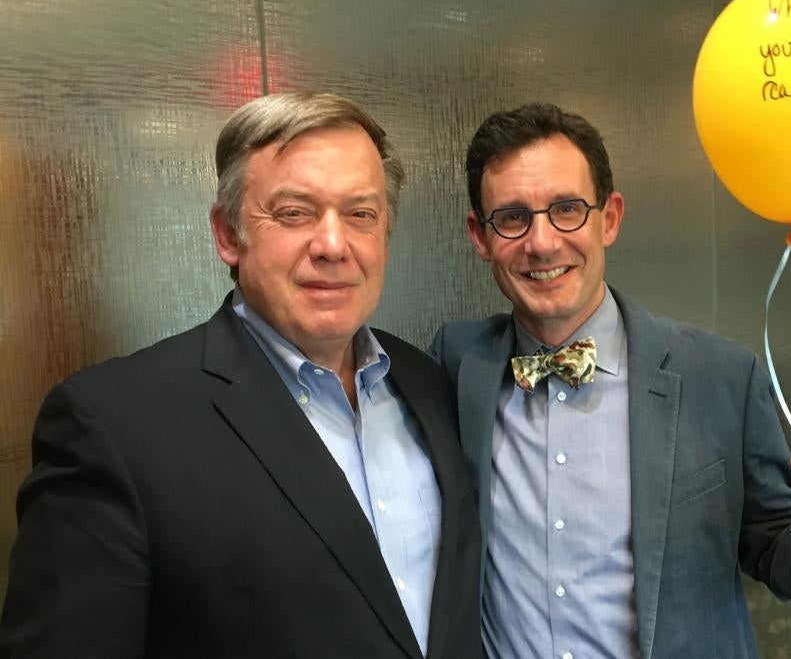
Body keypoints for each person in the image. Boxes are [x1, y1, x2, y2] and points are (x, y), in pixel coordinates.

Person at [1, 92, 481, 659]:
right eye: (294, 213)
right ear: (229, 234)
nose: (333, 245)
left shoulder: (427, 381)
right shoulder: (115, 425)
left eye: (361, 214)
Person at [431, 103, 791, 659]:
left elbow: (771, 544)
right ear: (481, 236)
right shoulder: (455, 364)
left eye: (567, 209)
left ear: (610, 218)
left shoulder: (720, 377)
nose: (542, 243)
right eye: (512, 217)